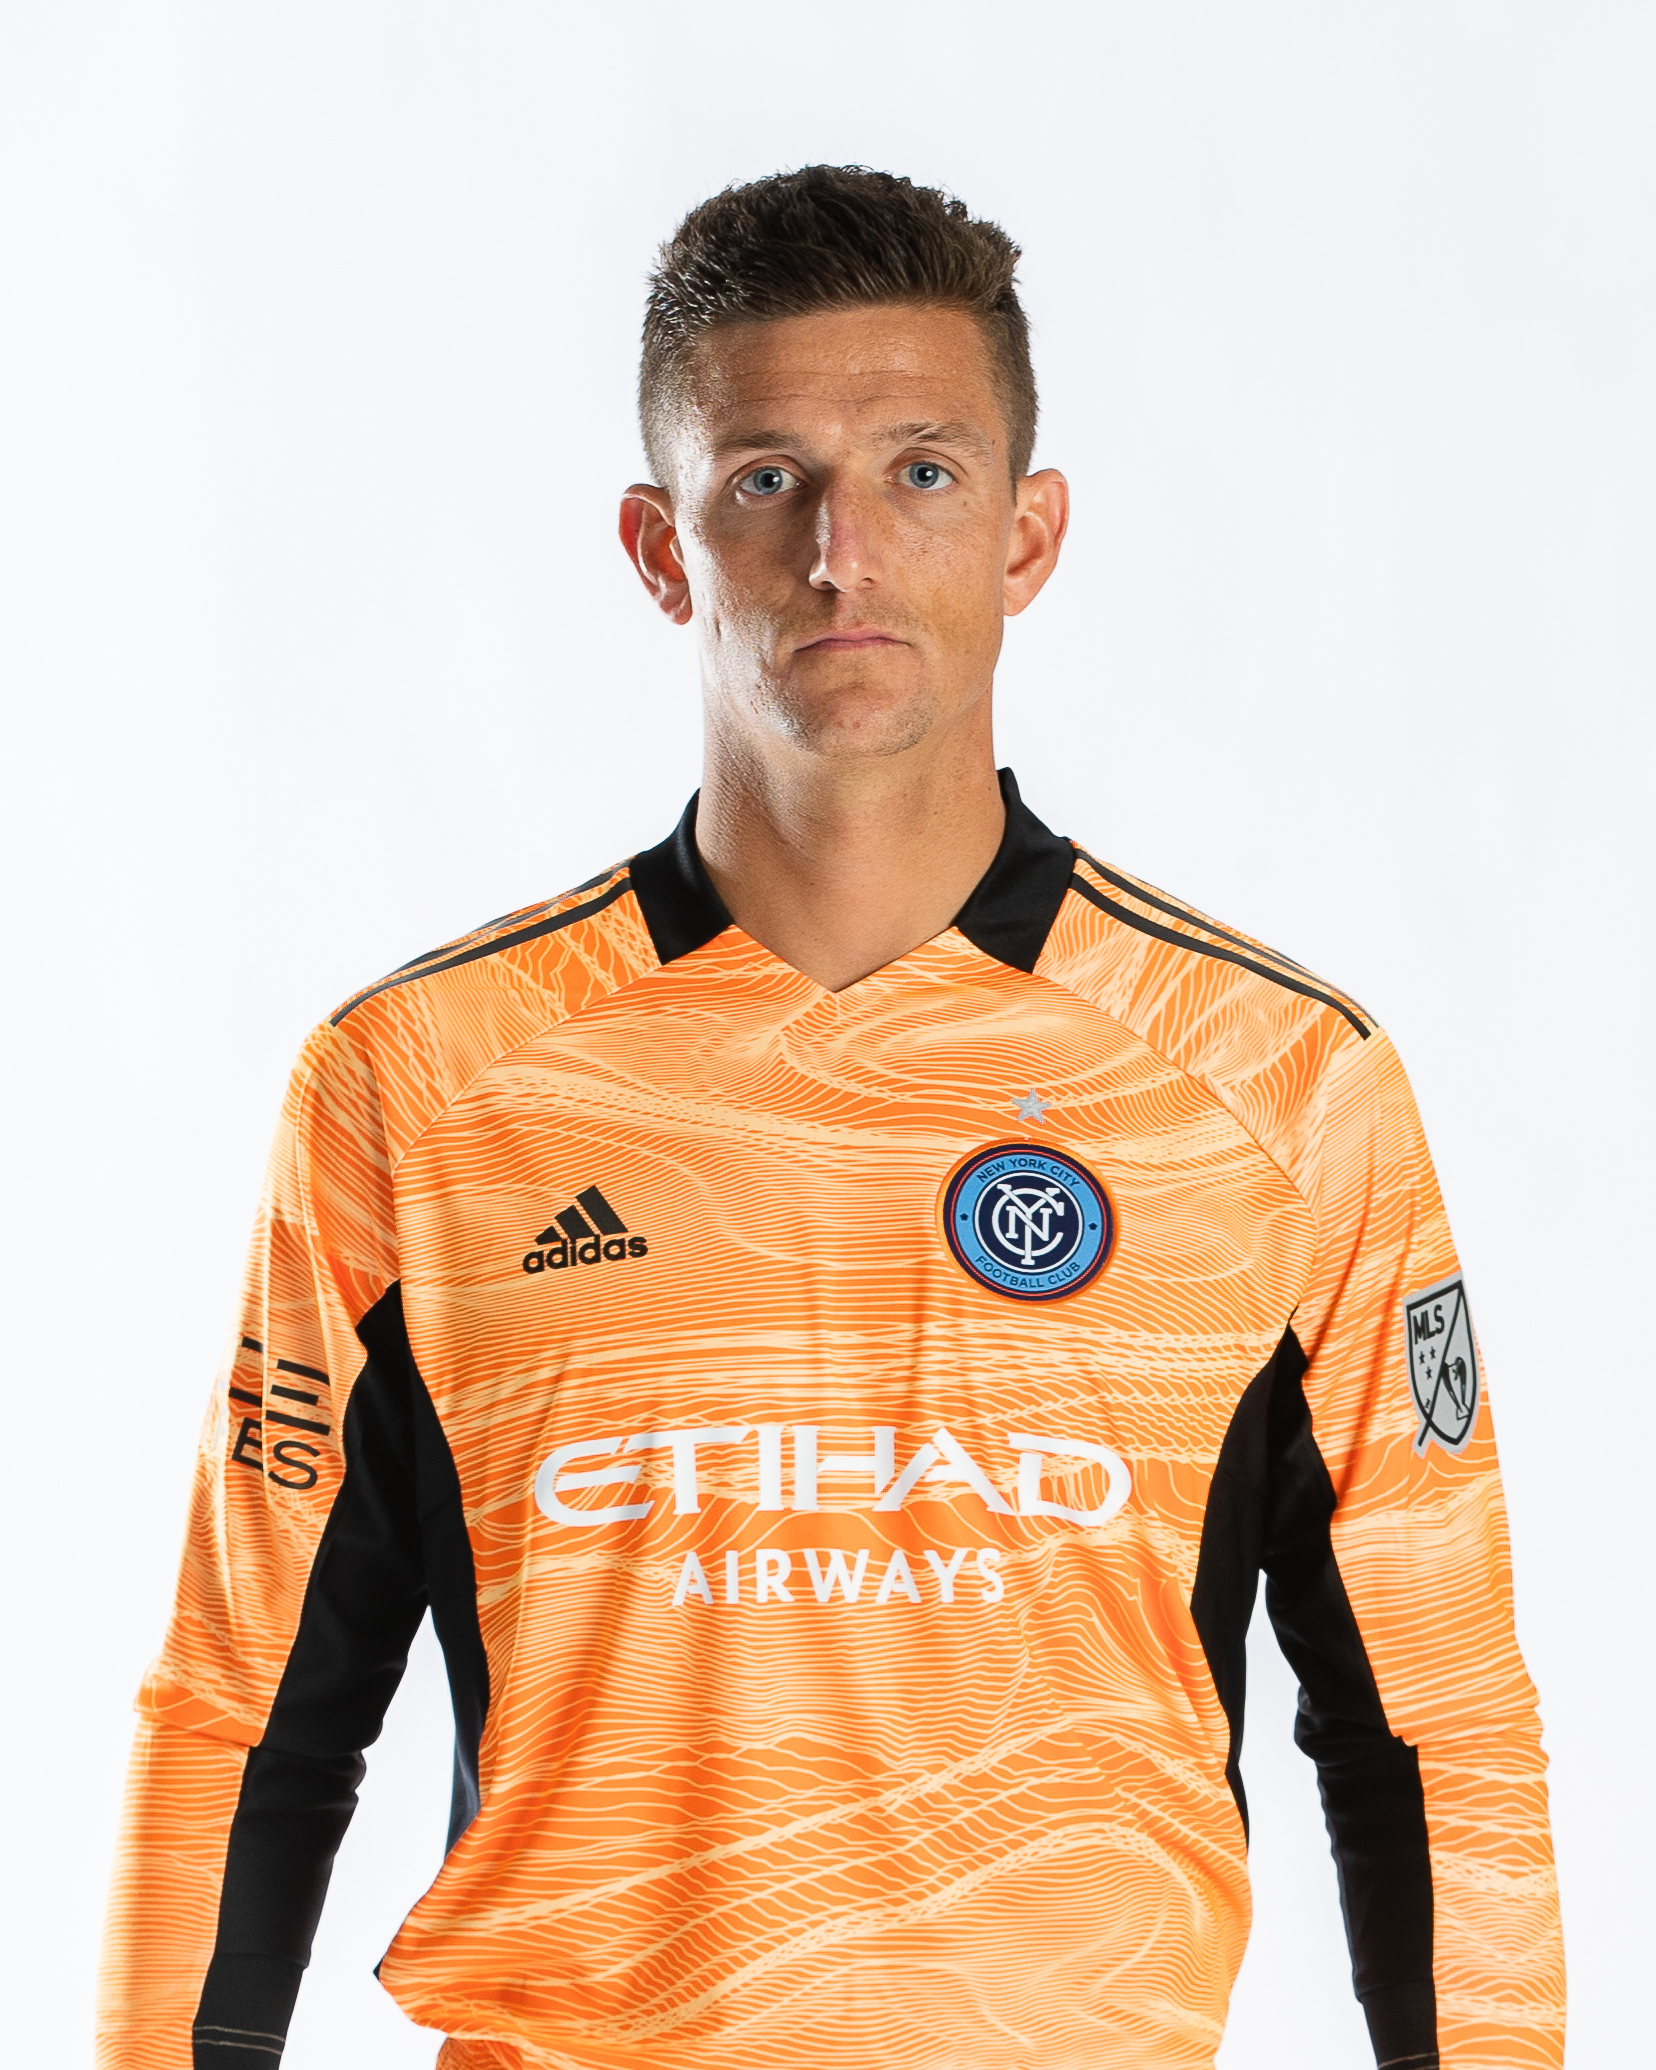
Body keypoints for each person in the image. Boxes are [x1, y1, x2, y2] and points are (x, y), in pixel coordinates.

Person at [98, 166, 1564, 2070]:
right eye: (767, 479)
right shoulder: (425, 1083)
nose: (843, 553)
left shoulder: (1278, 1081)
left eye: (921, 472)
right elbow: (245, 1707)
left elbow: (1435, 1720)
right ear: (661, 546)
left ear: (1029, 535)